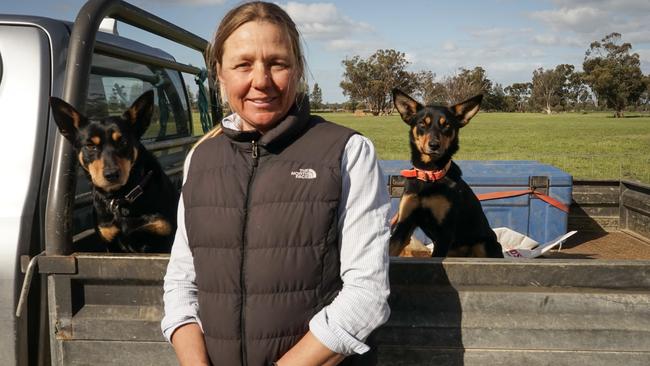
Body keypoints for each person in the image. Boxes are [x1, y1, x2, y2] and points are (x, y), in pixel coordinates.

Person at [161, 2, 391, 365]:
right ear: (220, 73)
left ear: (297, 69)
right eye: (243, 64)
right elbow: (181, 284)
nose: (261, 81)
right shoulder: (200, 159)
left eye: (277, 63)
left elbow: (367, 296)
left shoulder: (347, 152)